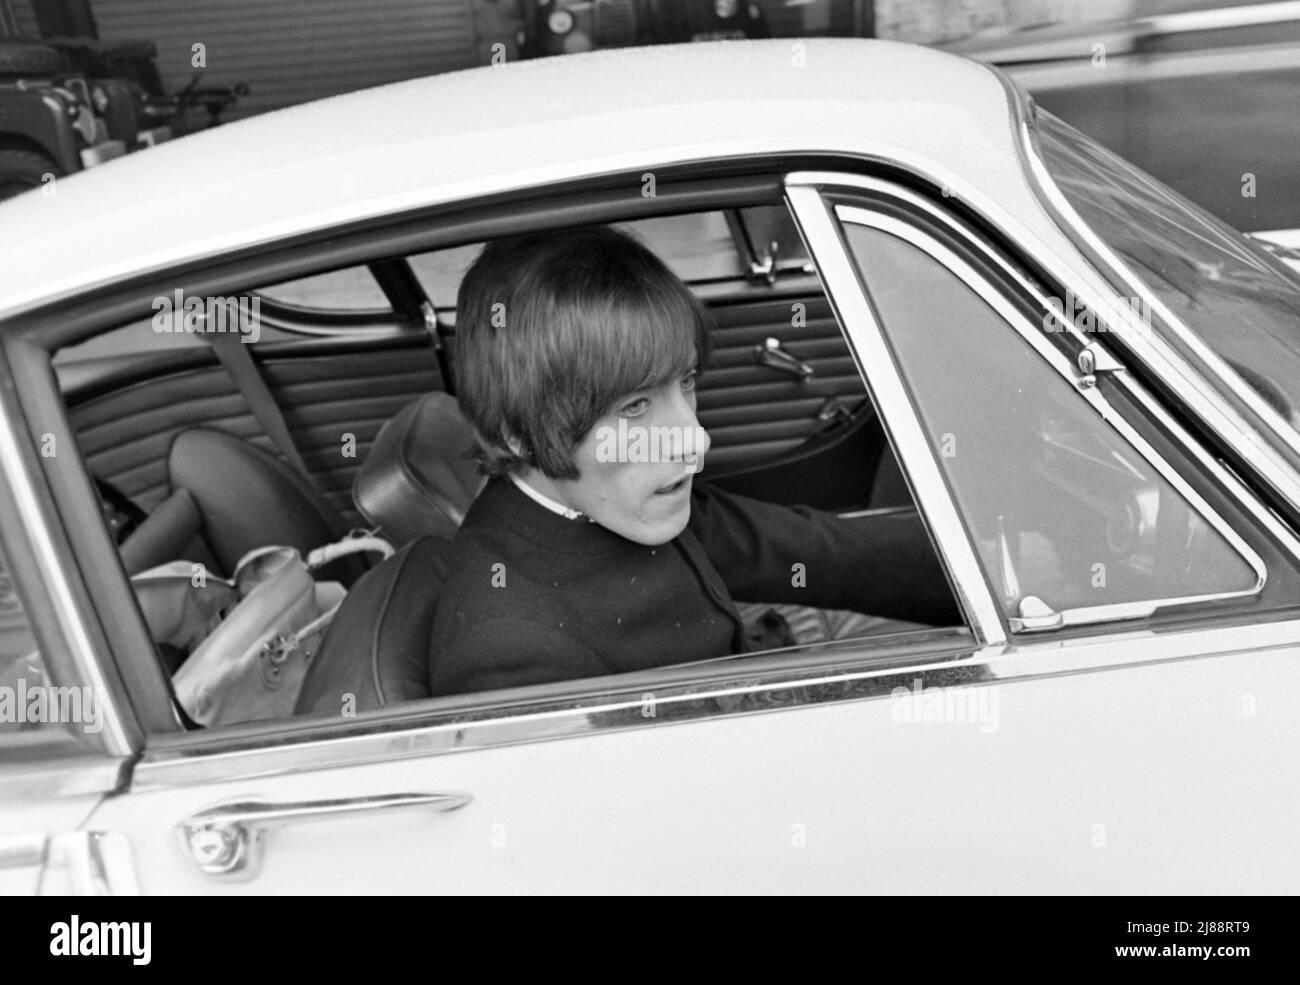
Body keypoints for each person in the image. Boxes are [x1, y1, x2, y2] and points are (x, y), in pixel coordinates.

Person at [428, 225, 958, 696]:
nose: (695, 442)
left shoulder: (600, 494)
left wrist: (996, 560)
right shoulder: (515, 659)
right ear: (515, 432)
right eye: (634, 406)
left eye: (687, 382)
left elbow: (807, 550)